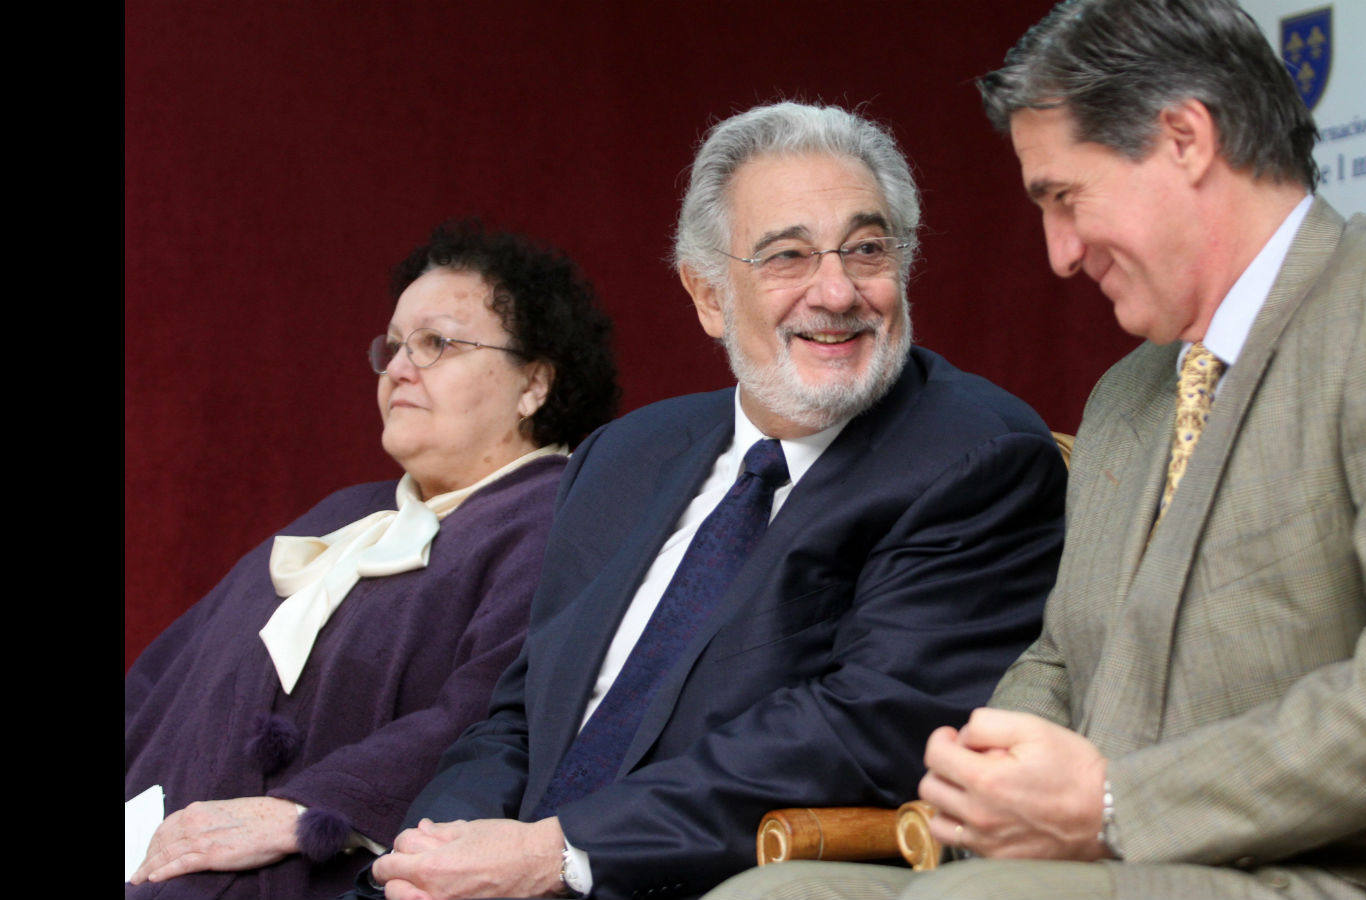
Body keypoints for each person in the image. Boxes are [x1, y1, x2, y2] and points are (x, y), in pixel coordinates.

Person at [709, 2, 1366, 898]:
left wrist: (1114, 802)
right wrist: (987, 781)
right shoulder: (1130, 391)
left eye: (1065, 197)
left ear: (1185, 139)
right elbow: (1061, 658)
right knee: (771, 892)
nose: (1060, 254)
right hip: (1092, 866)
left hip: (1318, 868)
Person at [351, 102, 1066, 900]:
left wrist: (560, 854)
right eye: (787, 257)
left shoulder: (977, 458)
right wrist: (433, 857)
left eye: (867, 249)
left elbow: (867, 729)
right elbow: (522, 713)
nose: (837, 291)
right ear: (708, 295)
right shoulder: (623, 457)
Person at [125, 220, 620, 900]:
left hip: (333, 875)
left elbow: (497, 717)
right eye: (393, 347)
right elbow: (159, 680)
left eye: (436, 344)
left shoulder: (562, 520)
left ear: (533, 383)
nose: (398, 368)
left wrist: (308, 811)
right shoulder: (339, 517)